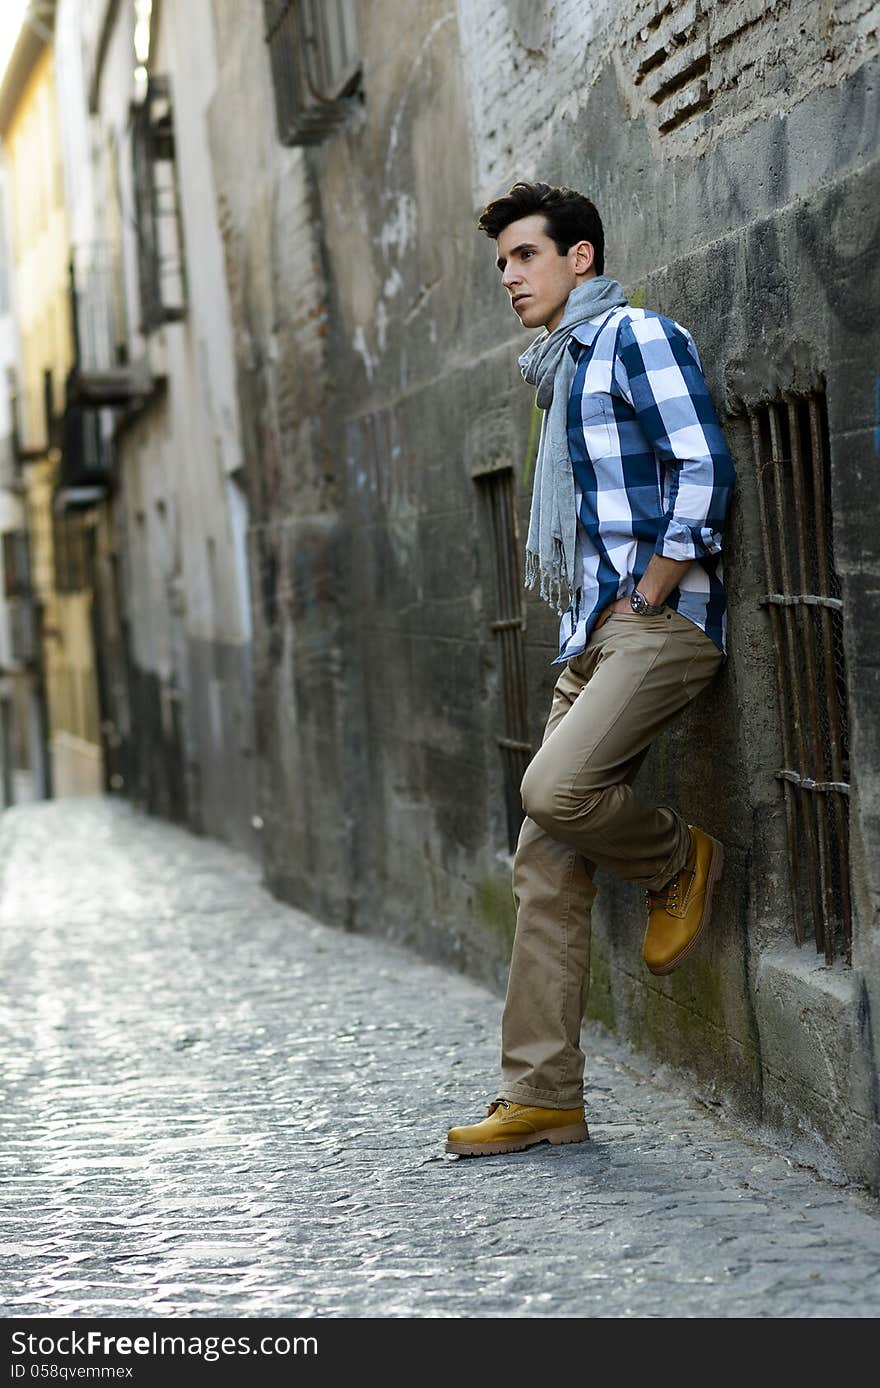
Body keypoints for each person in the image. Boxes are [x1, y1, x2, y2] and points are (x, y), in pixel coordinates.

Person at [446, 182, 736, 1158]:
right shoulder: (558, 370)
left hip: (659, 624)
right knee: (542, 862)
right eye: (500, 263)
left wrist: (653, 588)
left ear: (579, 258)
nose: (509, 277)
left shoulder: (633, 339)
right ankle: (543, 1094)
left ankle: (676, 859)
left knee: (553, 787)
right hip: (594, 632)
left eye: (524, 256)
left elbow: (701, 467)